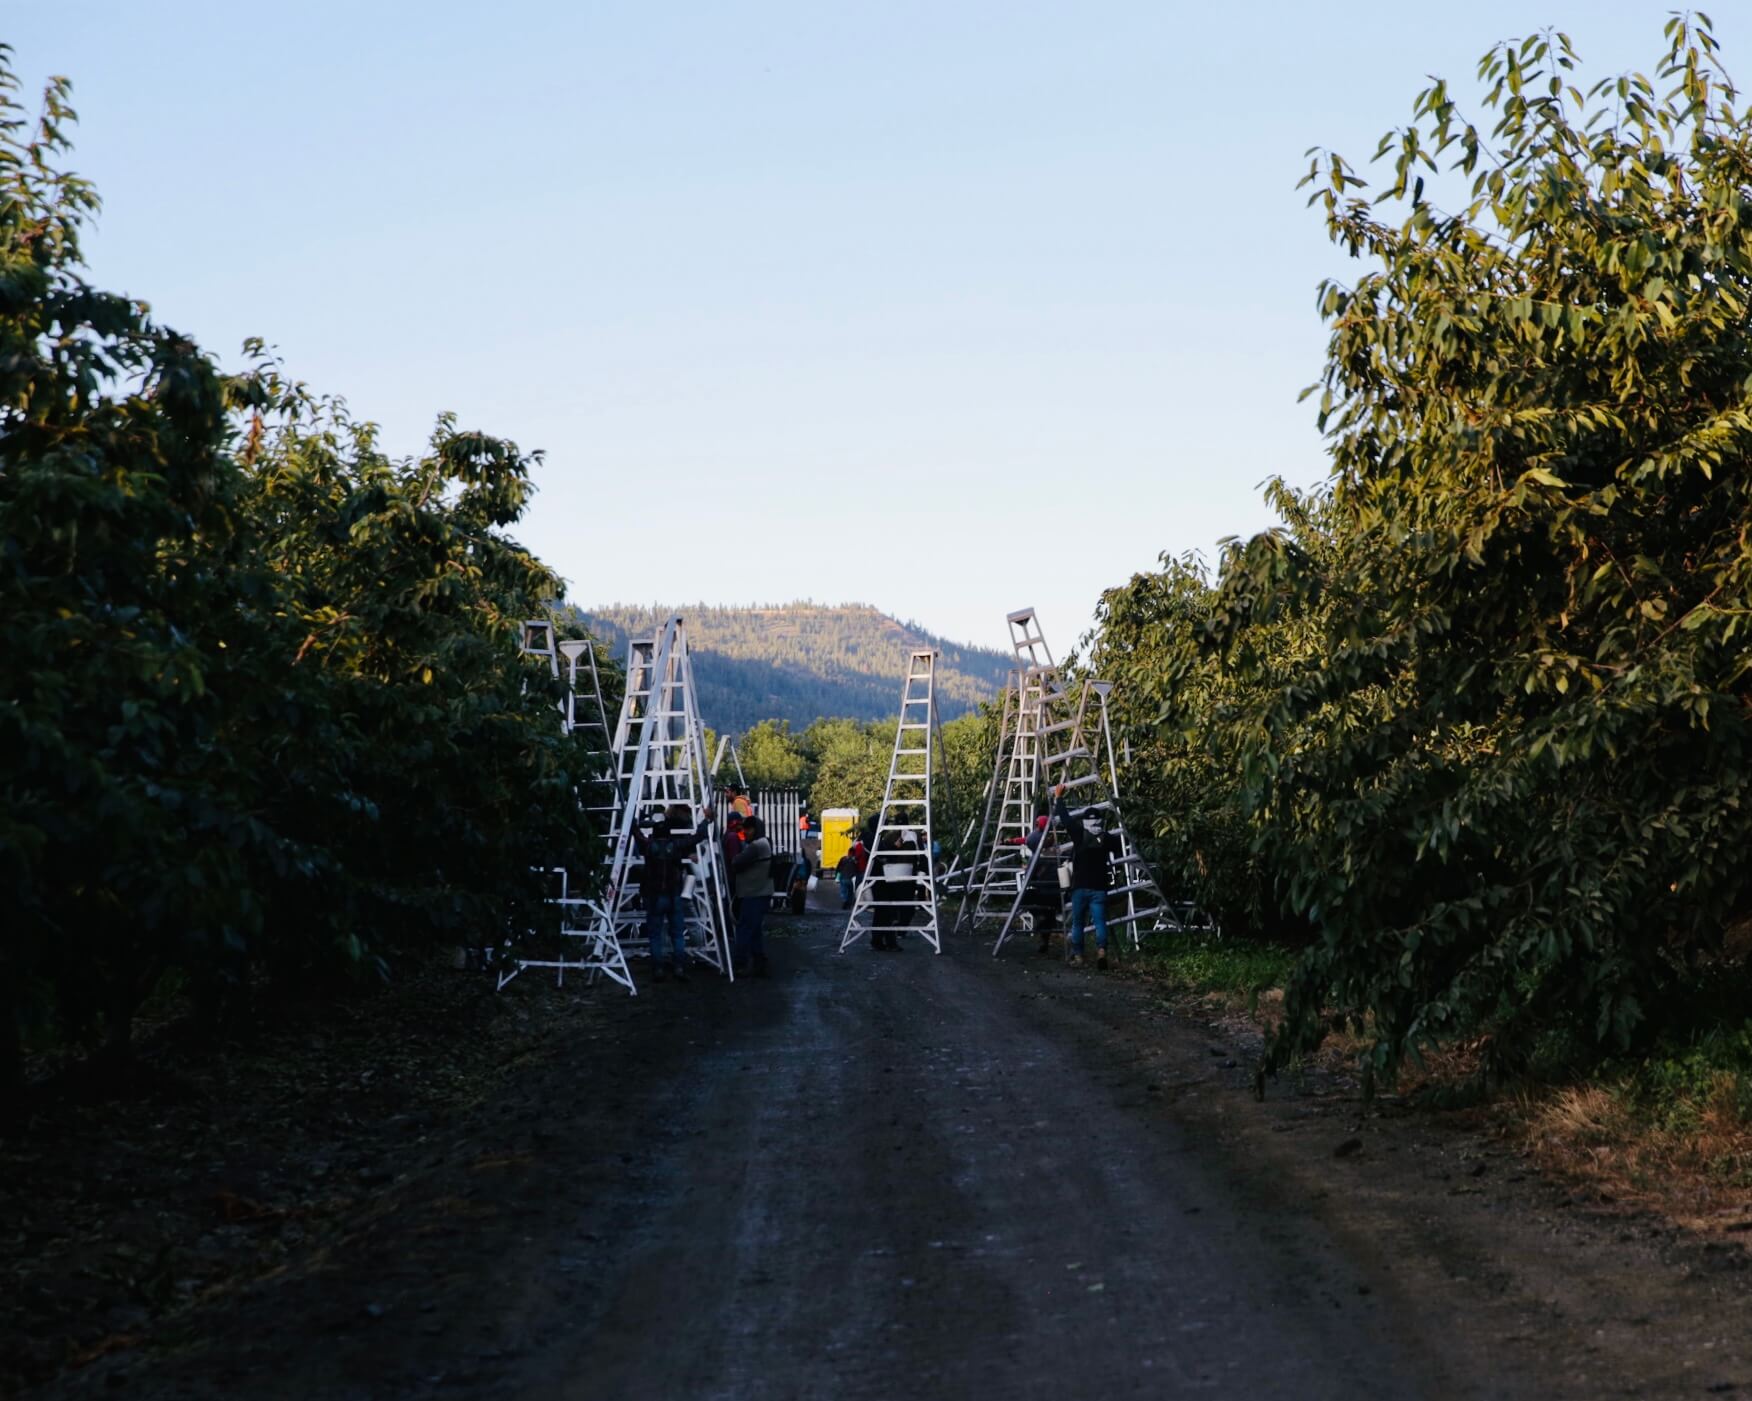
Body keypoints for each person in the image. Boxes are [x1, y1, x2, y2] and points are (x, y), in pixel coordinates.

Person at [632, 802, 714, 982]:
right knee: (677, 933)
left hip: (654, 896)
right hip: (673, 894)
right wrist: (706, 820)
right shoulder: (675, 845)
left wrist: (629, 816)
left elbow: (636, 833)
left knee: (655, 934)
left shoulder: (648, 846)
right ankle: (679, 967)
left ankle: (658, 969)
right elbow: (698, 837)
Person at [1052, 783, 1123, 969]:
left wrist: (1059, 797)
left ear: (1084, 822)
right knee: (1100, 922)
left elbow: (1066, 819)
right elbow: (1120, 850)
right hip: (1099, 887)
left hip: (1080, 887)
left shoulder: (1078, 835)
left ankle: (1078, 956)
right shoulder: (1108, 839)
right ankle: (1101, 951)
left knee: (1077, 923)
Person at [731, 815, 774, 976]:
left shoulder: (756, 846)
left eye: (748, 829)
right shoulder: (764, 843)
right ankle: (759, 962)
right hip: (761, 892)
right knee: (754, 929)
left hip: (754, 893)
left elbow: (736, 862)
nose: (745, 833)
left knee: (744, 929)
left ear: (754, 829)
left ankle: (739, 963)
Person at [869, 827, 922, 952]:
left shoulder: (882, 840)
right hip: (886, 883)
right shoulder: (881, 842)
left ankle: (882, 941)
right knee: (886, 914)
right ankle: (884, 941)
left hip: (886, 882)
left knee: (884, 914)